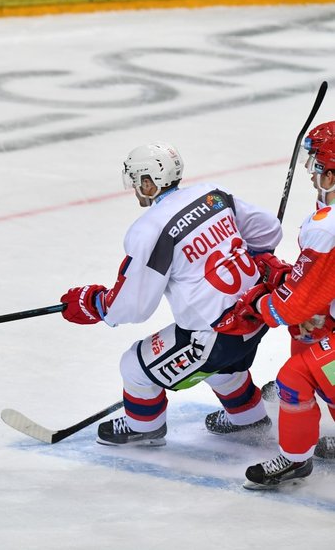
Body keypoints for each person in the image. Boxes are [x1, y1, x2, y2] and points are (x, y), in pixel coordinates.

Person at [61, 142, 283, 447]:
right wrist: (255, 257)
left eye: (137, 181)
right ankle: (247, 418)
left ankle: (144, 427)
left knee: (134, 367)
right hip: (258, 315)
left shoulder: (150, 229)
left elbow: (133, 305)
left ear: (149, 182)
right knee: (219, 367)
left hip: (217, 334)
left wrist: (95, 303)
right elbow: (268, 230)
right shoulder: (213, 195)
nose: (135, 189)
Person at [232, 121, 335, 488]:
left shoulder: (328, 227)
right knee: (310, 339)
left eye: (318, 167)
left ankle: (294, 460)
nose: (312, 175)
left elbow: (288, 308)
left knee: (295, 376)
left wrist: (258, 300)